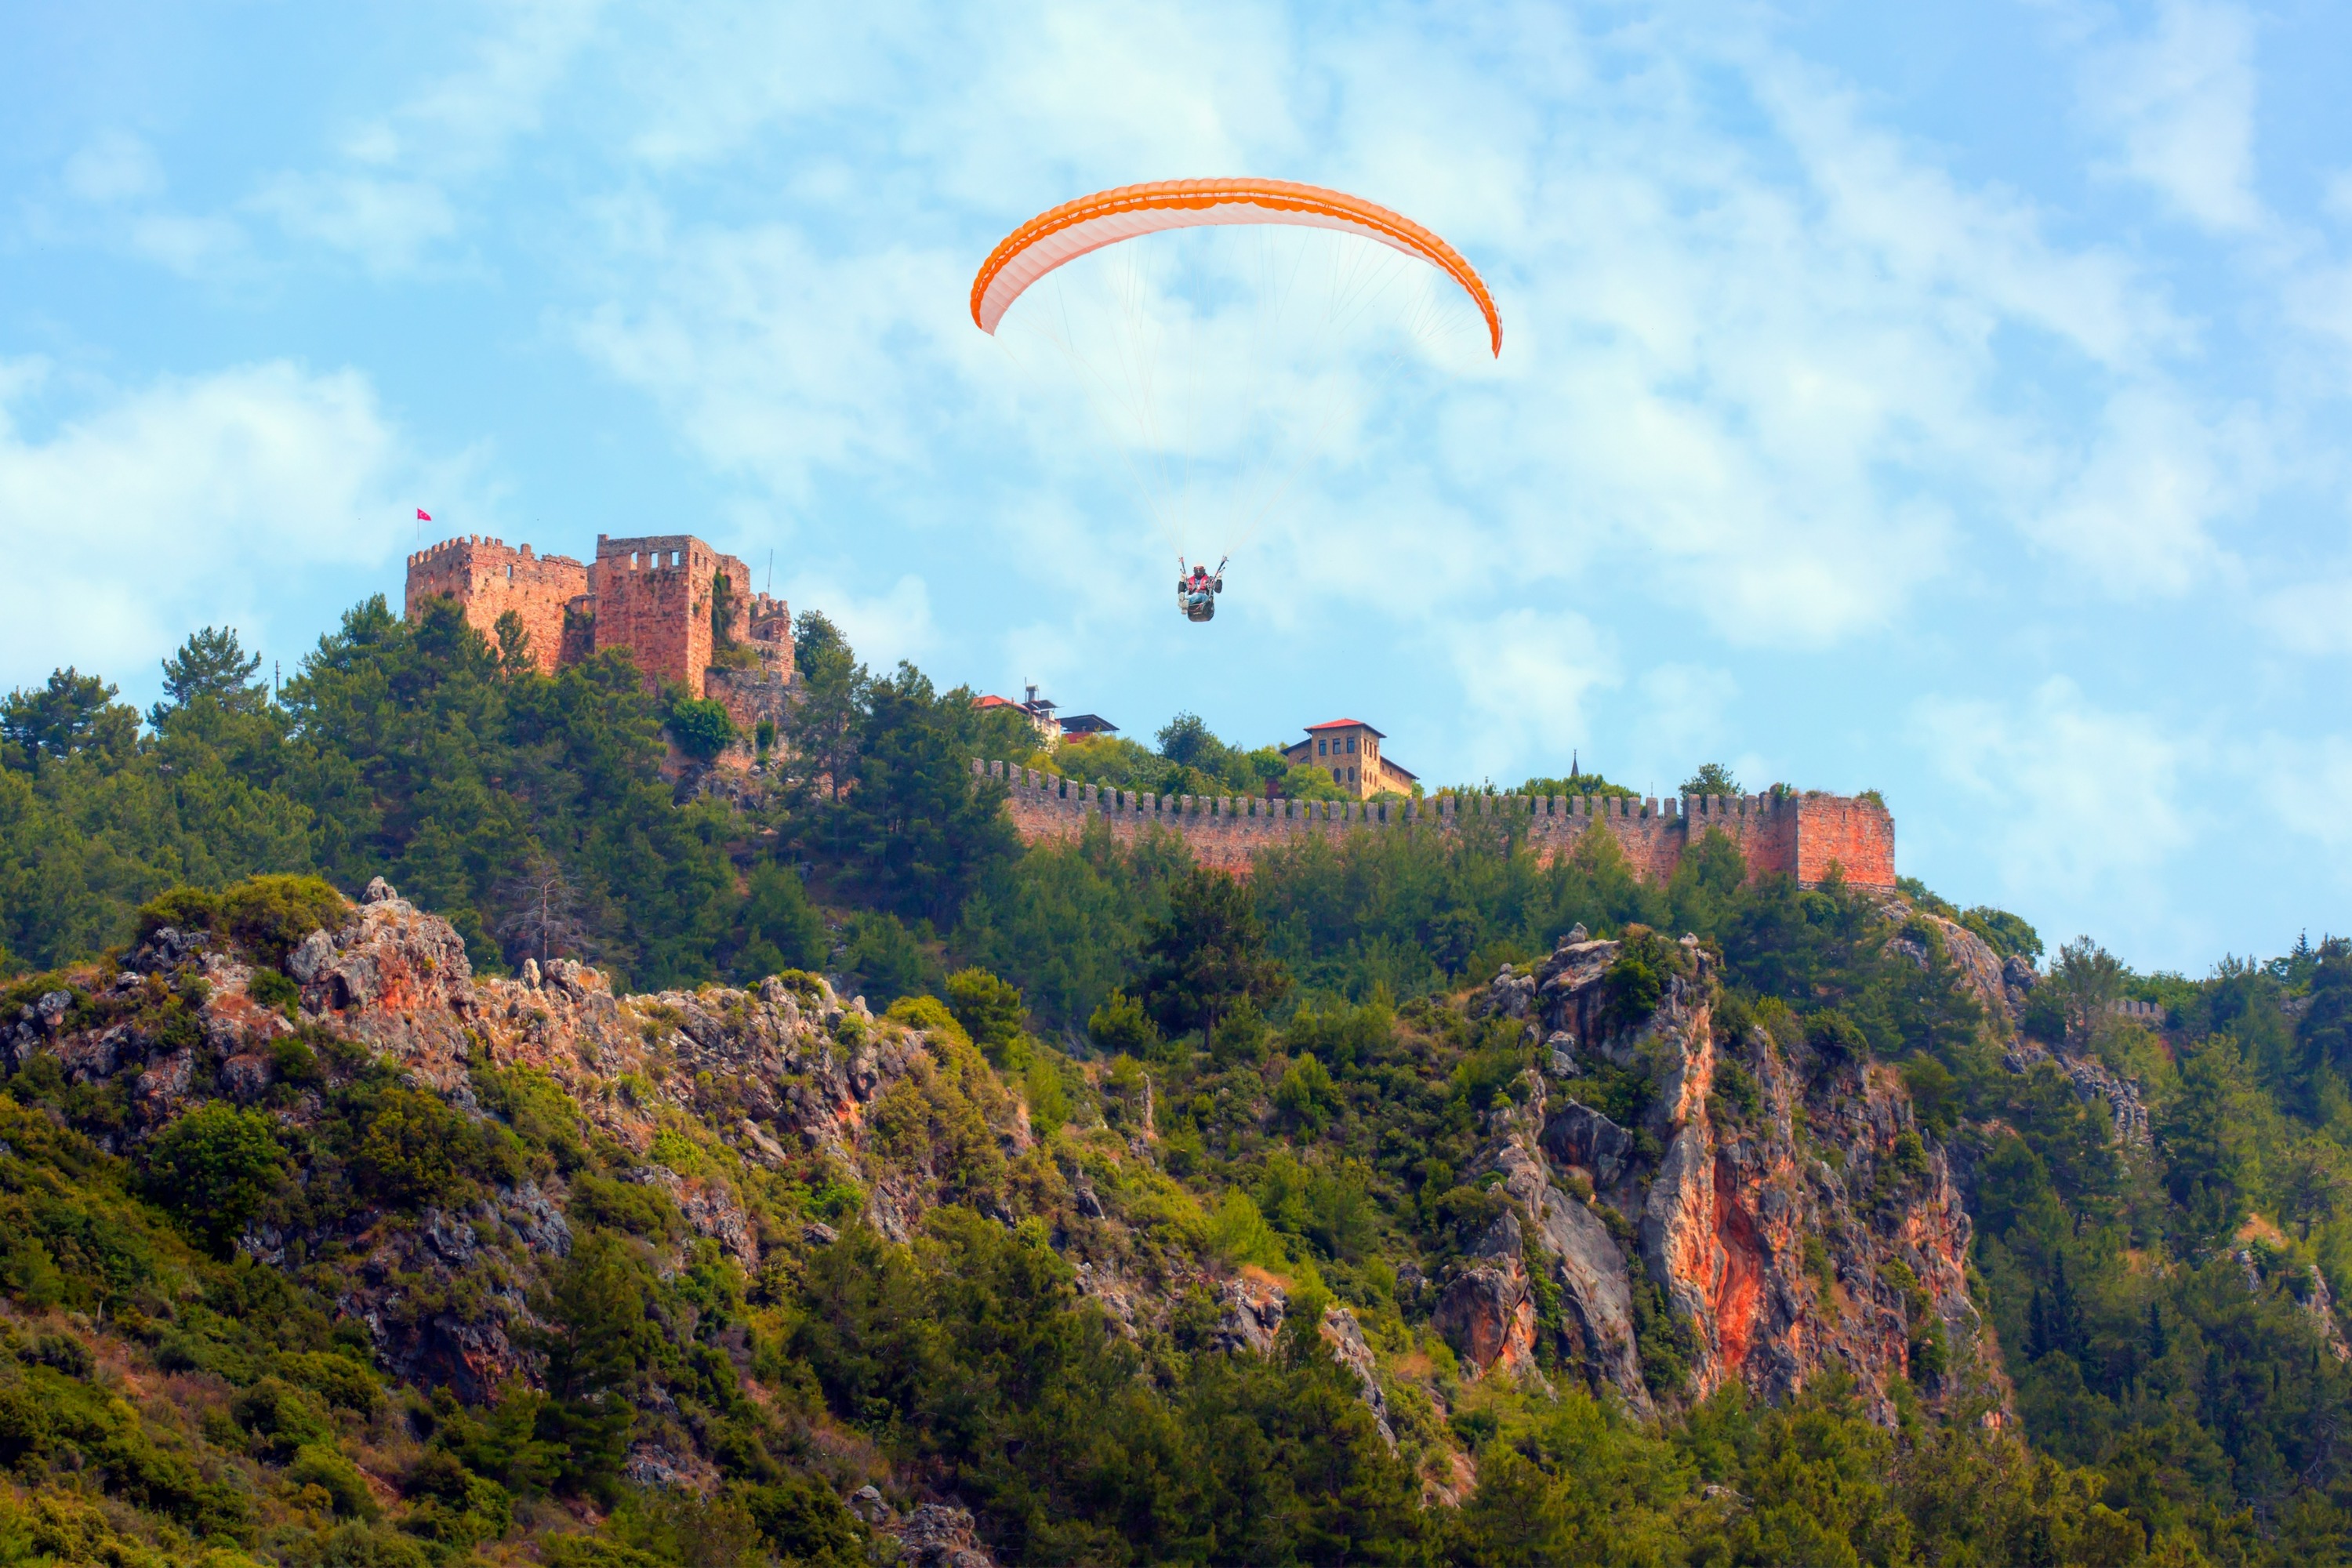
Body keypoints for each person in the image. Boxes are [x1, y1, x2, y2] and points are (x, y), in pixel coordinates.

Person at [1177, 556, 1225, 622]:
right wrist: (1182, 580)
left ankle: (1185, 602)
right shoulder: (1190, 580)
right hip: (1193, 602)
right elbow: (1180, 591)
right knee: (1189, 596)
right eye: (1197, 569)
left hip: (1205, 600)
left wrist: (1219, 579)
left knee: (1197, 595)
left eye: (1200, 569)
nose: (1198, 570)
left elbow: (1218, 590)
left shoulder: (1209, 579)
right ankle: (1184, 602)